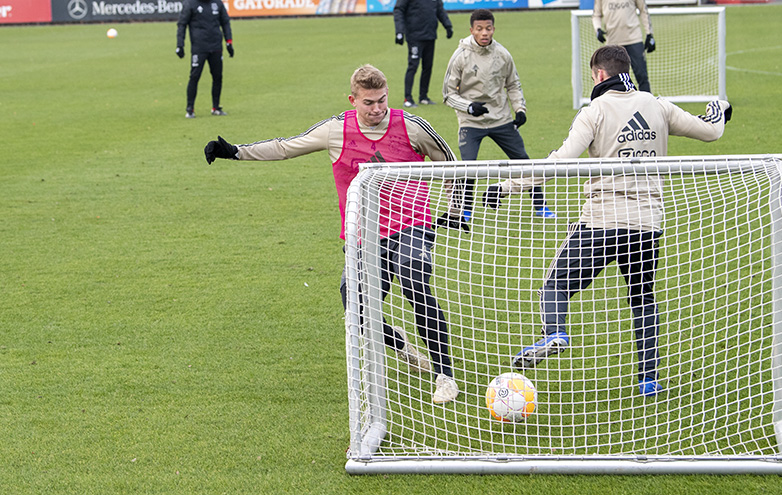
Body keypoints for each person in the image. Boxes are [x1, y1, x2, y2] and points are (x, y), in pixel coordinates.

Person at [203, 65, 465, 404]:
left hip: (412, 224)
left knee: (415, 277)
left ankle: (444, 375)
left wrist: (457, 208)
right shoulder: (336, 130)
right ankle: (399, 343)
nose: (376, 109)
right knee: (355, 308)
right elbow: (286, 147)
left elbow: (451, 163)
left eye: (382, 100)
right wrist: (234, 151)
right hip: (362, 233)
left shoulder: (412, 127)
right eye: (368, 102)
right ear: (352, 99)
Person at [511, 45, 732, 397]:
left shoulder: (594, 111)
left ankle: (554, 332)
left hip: (601, 220)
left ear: (599, 75)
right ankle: (648, 378)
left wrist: (509, 185)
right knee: (642, 297)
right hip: (647, 223)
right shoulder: (657, 106)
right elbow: (712, 132)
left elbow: (560, 160)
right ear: (626, 70)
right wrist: (719, 109)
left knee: (555, 286)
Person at [441, 8, 556, 222]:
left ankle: (541, 207)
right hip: (470, 122)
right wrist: (469, 107)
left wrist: (519, 109)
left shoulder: (503, 54)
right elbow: (447, 94)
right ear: (471, 30)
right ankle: (465, 211)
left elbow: (513, 84)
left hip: (501, 119)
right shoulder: (460, 55)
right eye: (479, 29)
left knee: (524, 162)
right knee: (468, 168)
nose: (484, 33)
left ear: (494, 29)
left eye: (488, 28)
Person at [176, 0, 233, 119]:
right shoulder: (190, 4)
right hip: (199, 47)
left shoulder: (217, 3)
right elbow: (182, 24)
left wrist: (229, 42)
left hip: (216, 46)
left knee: (217, 77)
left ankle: (216, 107)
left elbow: (225, 22)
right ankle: (190, 109)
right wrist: (180, 45)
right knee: (195, 76)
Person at [393, 0, 454, 108]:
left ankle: (423, 97)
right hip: (414, 36)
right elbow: (399, 10)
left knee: (428, 67)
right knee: (413, 66)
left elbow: (440, 10)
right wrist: (399, 31)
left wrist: (448, 25)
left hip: (430, 35)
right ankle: (408, 98)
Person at [592, 0, 654, 94]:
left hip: (634, 39)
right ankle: (613, 106)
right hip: (613, 42)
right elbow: (596, 15)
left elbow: (643, 10)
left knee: (642, 76)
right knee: (611, 79)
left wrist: (649, 34)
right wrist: (598, 29)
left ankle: (647, 106)